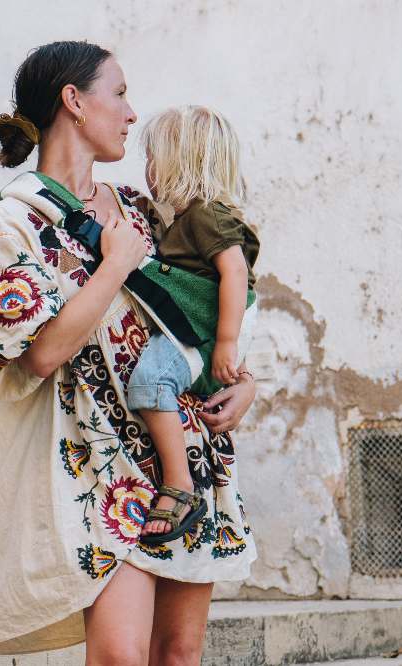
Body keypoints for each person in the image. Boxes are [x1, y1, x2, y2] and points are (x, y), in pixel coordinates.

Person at [0, 41, 258, 664]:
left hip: (177, 453)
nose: (131, 114)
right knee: (122, 657)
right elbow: (39, 356)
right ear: (74, 101)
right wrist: (115, 265)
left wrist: (244, 381)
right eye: (119, 93)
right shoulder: (13, 222)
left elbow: (196, 309)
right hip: (94, 467)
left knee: (179, 653)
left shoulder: (142, 210)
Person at [127, 107, 261, 545]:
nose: (146, 169)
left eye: (152, 158)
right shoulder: (185, 220)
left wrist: (225, 343)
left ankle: (179, 482)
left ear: (178, 163)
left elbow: (235, 274)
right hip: (201, 331)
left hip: (202, 333)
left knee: (149, 382)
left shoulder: (206, 216)